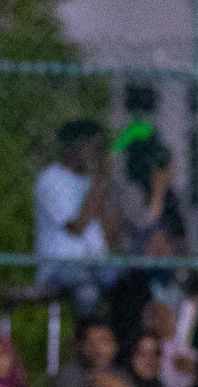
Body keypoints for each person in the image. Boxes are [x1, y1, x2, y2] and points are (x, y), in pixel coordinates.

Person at [34, 120, 119, 318]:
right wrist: (97, 186)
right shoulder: (50, 179)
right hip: (60, 266)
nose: (95, 154)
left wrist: (103, 189)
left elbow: (113, 237)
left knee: (129, 282)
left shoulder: (91, 183)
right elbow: (76, 226)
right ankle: (87, 341)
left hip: (96, 263)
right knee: (87, 285)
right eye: (92, 147)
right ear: (74, 147)